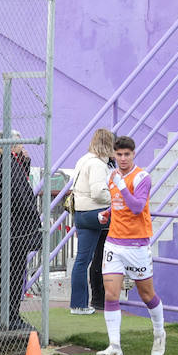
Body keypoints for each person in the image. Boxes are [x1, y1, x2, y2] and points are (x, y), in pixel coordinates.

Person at [96, 135, 166, 355]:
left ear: (133, 154)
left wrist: (122, 187)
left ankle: (159, 332)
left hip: (137, 246)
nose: (123, 159)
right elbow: (119, 205)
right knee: (111, 293)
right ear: (114, 155)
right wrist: (107, 213)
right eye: (119, 154)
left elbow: (136, 207)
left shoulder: (142, 177)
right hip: (114, 244)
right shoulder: (112, 176)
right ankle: (114, 345)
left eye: (127, 154)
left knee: (147, 295)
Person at [0, 128, 43, 331]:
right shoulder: (4, 165)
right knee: (13, 273)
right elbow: (20, 196)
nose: (22, 147)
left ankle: (3, 315)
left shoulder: (1, 164)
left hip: (11, 226)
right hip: (15, 228)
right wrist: (33, 218)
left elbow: (18, 187)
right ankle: (8, 316)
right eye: (19, 144)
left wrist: (24, 163)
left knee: (9, 270)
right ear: (9, 146)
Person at [68, 128, 115, 315]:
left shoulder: (84, 160)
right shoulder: (97, 165)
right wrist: (117, 197)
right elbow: (98, 193)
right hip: (94, 213)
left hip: (81, 213)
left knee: (83, 260)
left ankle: (78, 303)